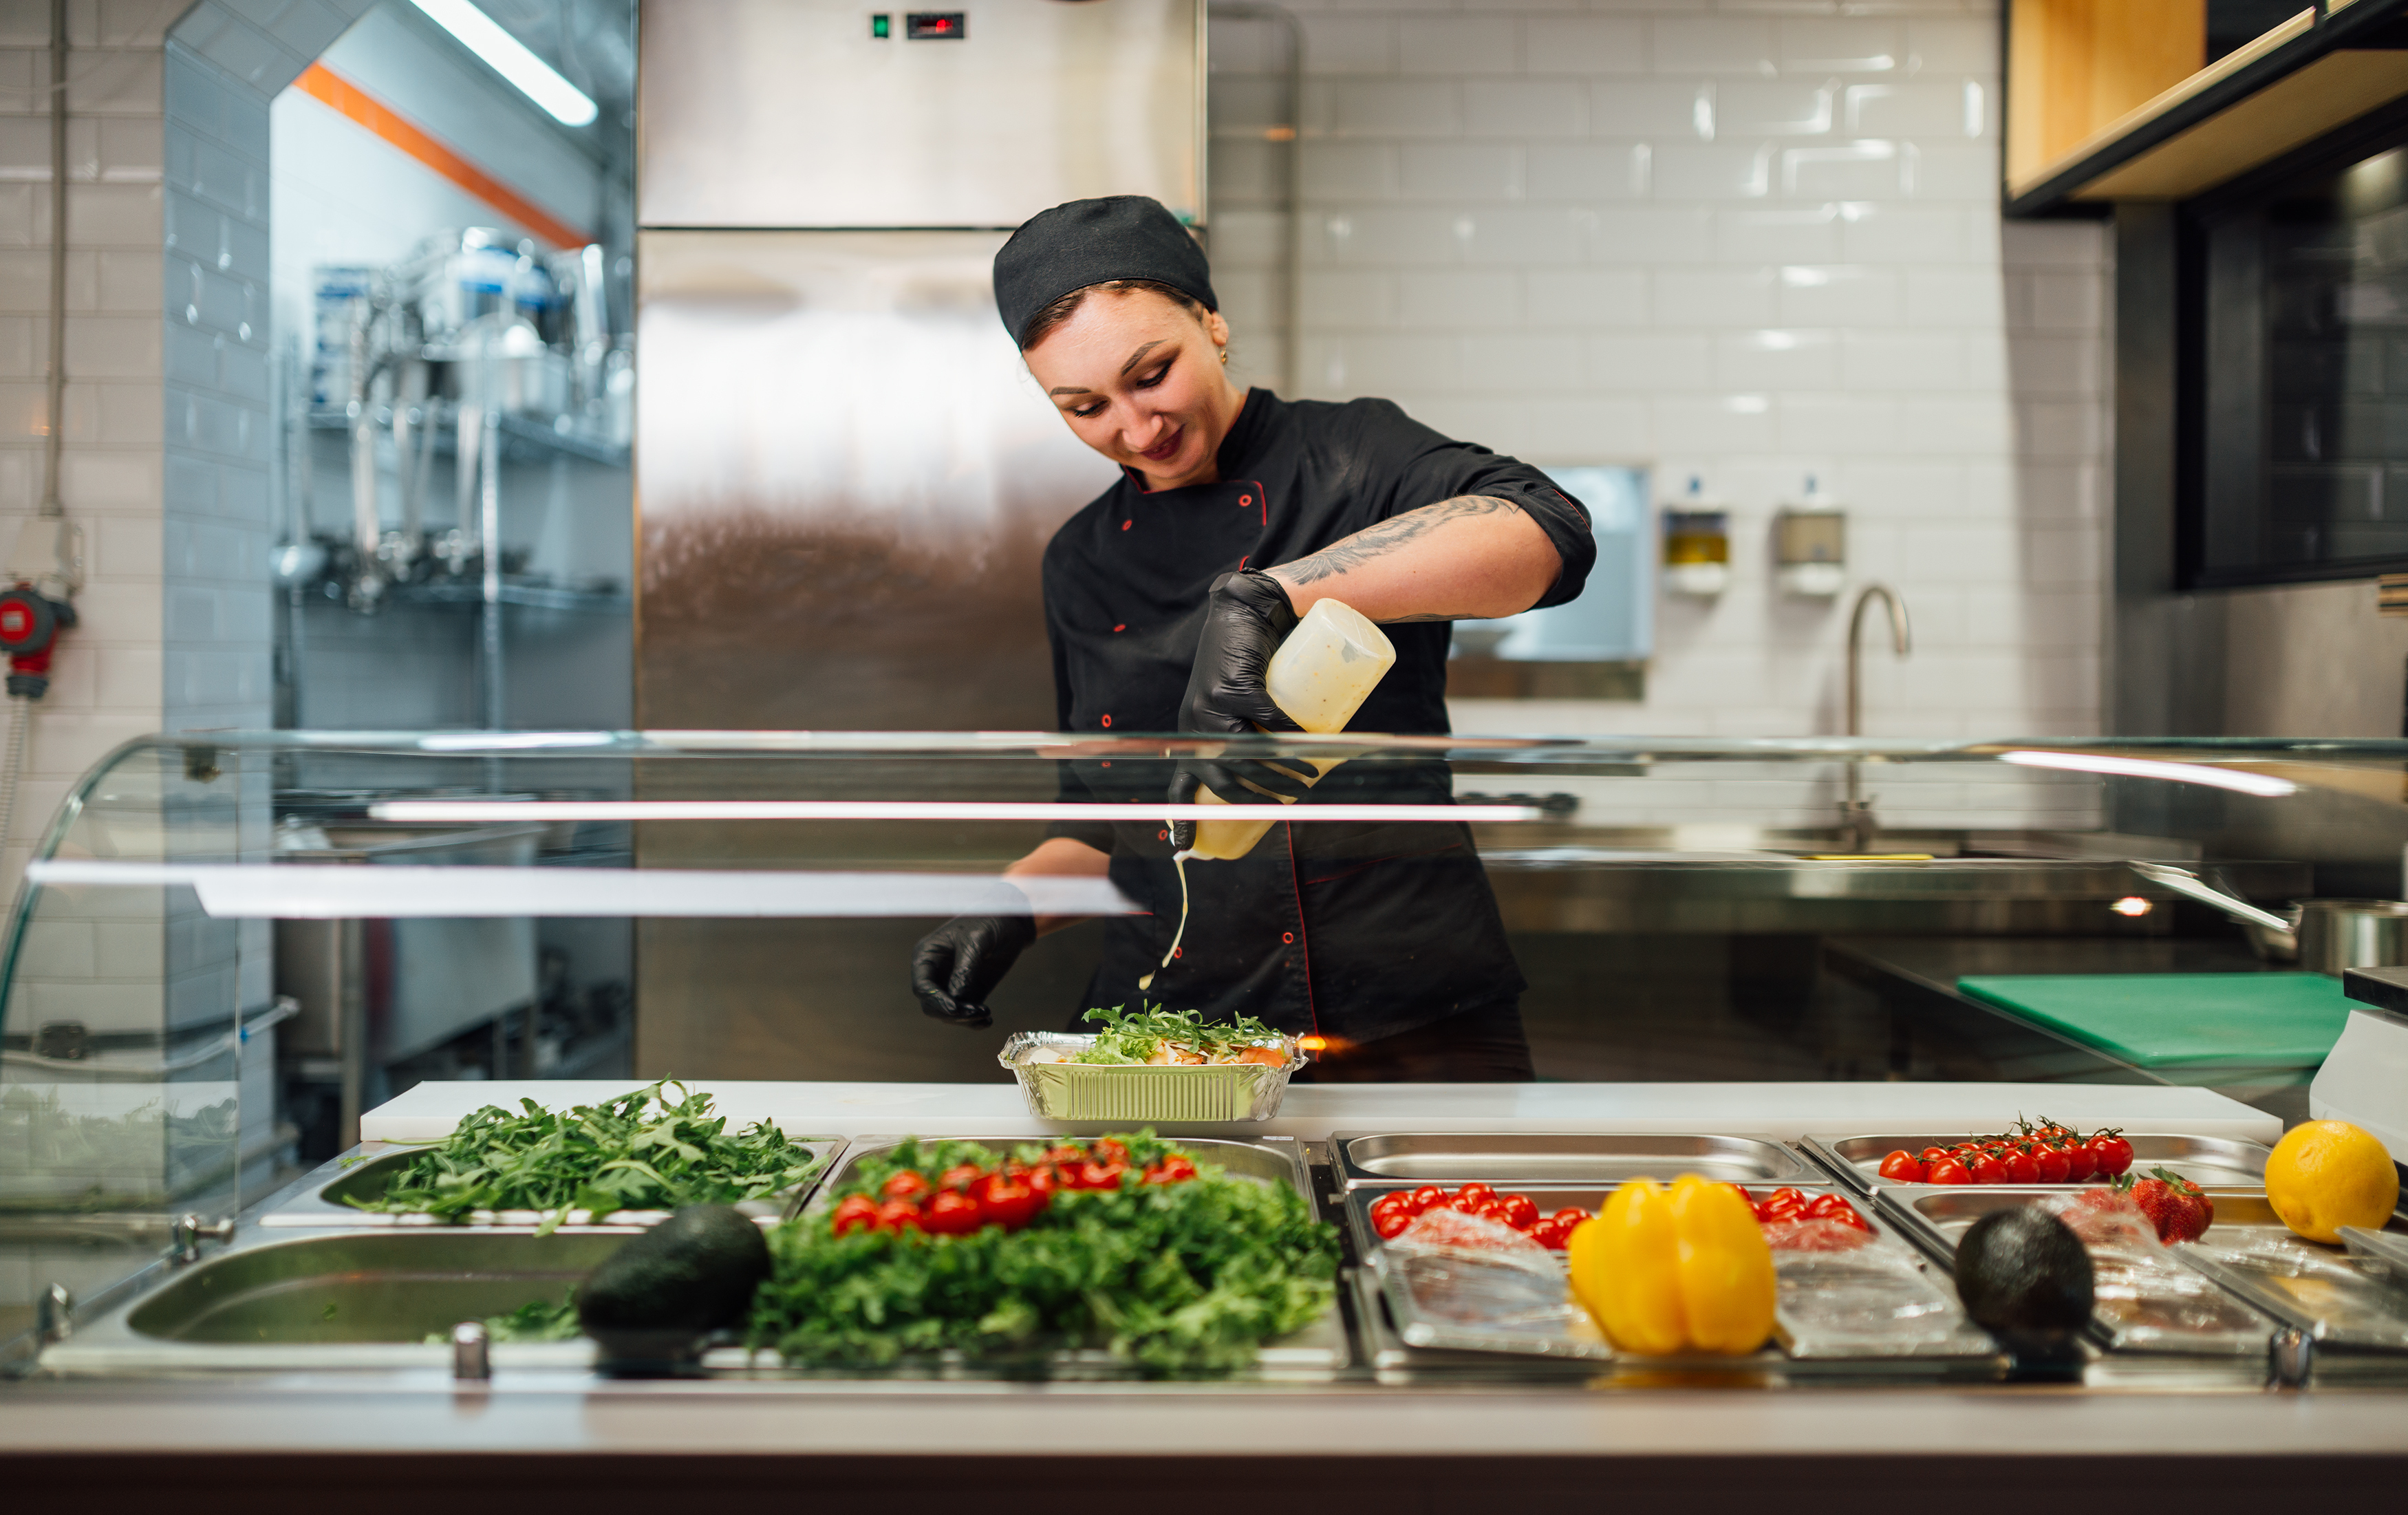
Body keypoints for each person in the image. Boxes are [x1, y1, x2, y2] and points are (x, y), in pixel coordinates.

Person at [908, 195, 1593, 1080]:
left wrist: (1277, 596)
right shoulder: (1079, 560)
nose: (1134, 429)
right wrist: (1005, 910)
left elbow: (1549, 532)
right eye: (1083, 407)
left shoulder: (1354, 455)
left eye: (1151, 373)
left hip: (1407, 1009)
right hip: (1172, 1031)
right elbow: (1098, 823)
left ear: (1212, 323)